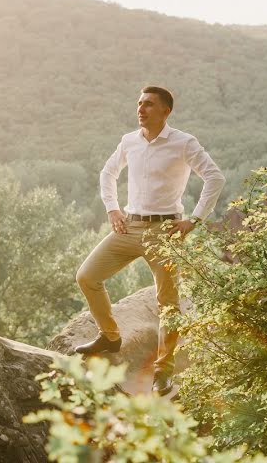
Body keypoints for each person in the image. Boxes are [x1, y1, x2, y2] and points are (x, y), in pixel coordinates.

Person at [74, 86, 225, 396]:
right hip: (129, 227)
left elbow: (215, 177)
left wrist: (194, 220)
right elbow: (107, 173)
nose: (141, 109)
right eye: (139, 103)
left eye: (148, 104)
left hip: (165, 233)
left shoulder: (183, 143)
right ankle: (110, 336)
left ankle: (163, 370)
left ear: (165, 111)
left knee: (167, 304)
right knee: (87, 276)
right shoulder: (129, 141)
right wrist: (112, 208)